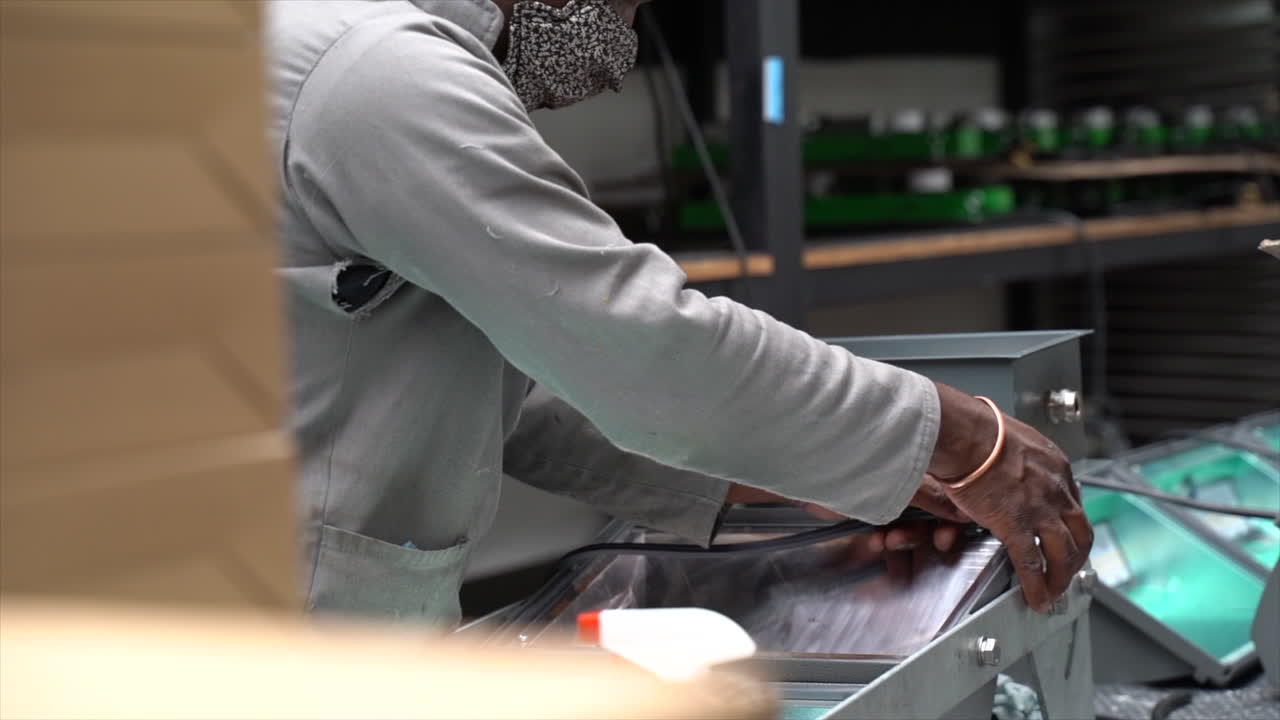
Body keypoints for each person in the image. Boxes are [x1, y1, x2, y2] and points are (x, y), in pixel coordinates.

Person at [266, 0, 1092, 625]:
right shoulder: (377, 70)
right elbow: (637, 344)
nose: (618, 57)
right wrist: (961, 438)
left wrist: (825, 471)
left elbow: (511, 385)